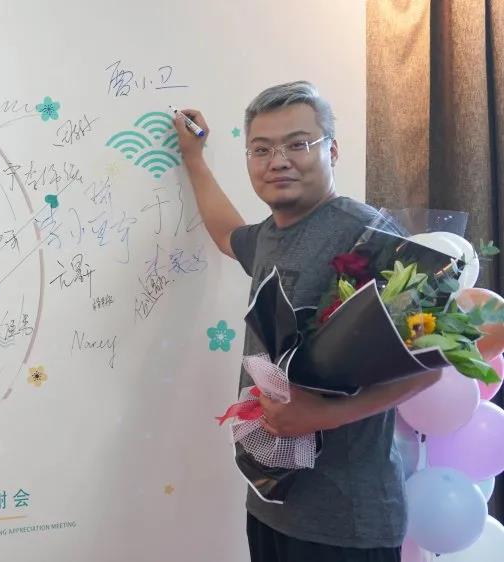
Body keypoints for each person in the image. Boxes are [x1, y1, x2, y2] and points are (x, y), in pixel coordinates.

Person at [172, 81, 442, 562]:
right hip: (271, 503)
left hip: (346, 521)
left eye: (298, 144)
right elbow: (227, 233)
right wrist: (195, 158)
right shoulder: (269, 237)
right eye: (262, 149)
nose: (278, 161)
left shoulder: (369, 235)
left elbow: (429, 368)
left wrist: (323, 415)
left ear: (331, 150)